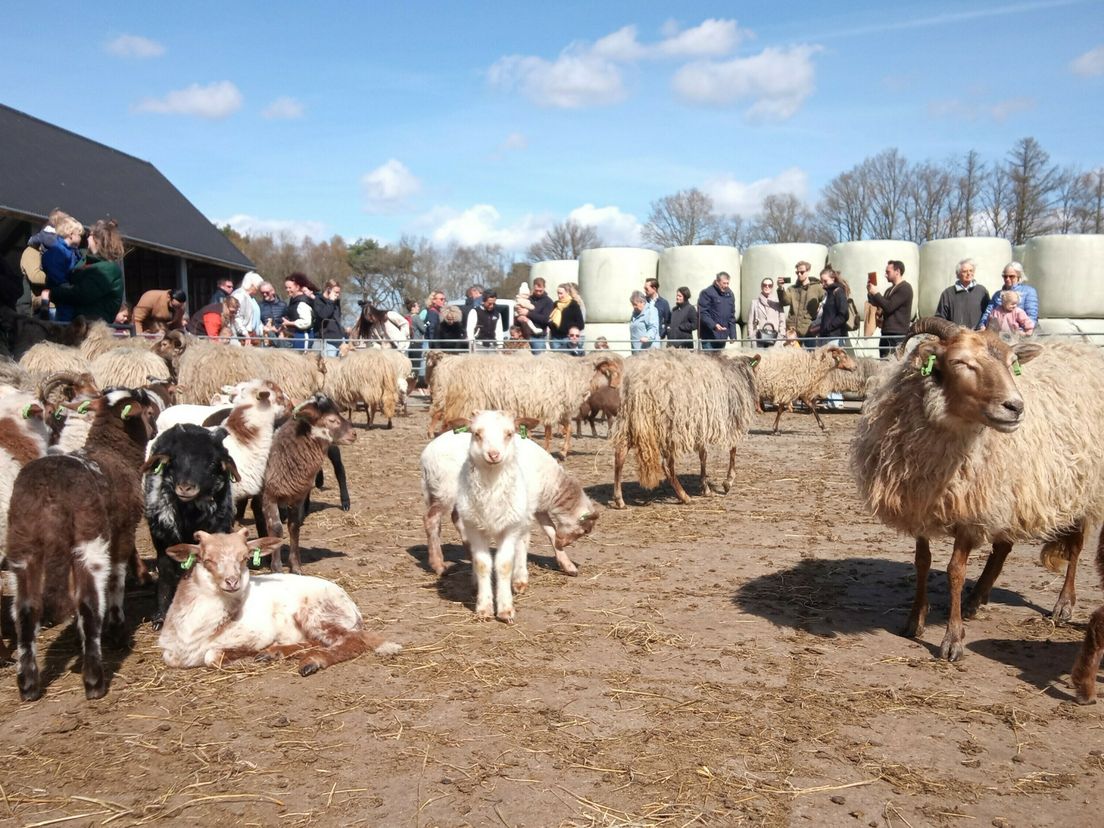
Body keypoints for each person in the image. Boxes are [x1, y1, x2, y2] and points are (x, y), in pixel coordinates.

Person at [42, 218, 124, 323]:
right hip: (79, 322)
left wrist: (52, 293)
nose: (86, 238)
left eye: (89, 235)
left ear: (96, 239)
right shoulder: (88, 261)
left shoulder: (108, 269)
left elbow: (82, 293)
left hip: (93, 326)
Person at [41, 215, 85, 321]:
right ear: (71, 235)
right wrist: (64, 283)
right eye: (79, 235)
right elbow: (52, 266)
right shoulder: (58, 250)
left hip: (65, 290)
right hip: (60, 291)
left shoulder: (71, 251)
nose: (81, 238)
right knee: (64, 318)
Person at [866, 259, 913, 357]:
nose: (885, 275)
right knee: (883, 361)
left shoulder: (905, 288)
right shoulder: (889, 290)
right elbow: (881, 305)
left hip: (897, 335)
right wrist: (871, 294)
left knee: (893, 365)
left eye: (888, 272)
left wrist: (876, 293)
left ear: (897, 272)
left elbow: (889, 307)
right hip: (886, 332)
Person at [978, 262, 1039, 330]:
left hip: (1021, 335)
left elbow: (1032, 317)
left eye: (1011, 276)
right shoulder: (997, 294)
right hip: (998, 335)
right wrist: (982, 325)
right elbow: (988, 313)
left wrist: (1021, 332)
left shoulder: (1029, 291)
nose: (1007, 279)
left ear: (1019, 276)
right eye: (1005, 276)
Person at [777, 260, 824, 347]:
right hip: (792, 331)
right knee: (792, 357)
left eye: (802, 272)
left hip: (809, 330)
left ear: (808, 271)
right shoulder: (792, 289)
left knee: (810, 357)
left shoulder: (817, 288)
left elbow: (827, 300)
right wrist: (780, 288)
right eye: (797, 272)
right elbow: (784, 302)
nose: (799, 274)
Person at [934, 258, 989, 329]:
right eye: (965, 271)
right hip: (955, 336)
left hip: (977, 335)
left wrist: (983, 326)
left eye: (971, 270)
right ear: (958, 274)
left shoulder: (982, 291)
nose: (969, 273)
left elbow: (988, 313)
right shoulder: (948, 293)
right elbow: (940, 318)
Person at [697, 271, 736, 350]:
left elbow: (731, 316)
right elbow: (702, 313)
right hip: (709, 337)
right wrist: (714, 325)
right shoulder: (707, 293)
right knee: (709, 361)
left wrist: (733, 335)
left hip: (722, 337)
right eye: (724, 283)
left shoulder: (730, 295)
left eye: (728, 283)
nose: (726, 286)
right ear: (717, 282)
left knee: (720, 361)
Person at [281, 272, 318, 350]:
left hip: (303, 338)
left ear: (297, 287)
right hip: (296, 337)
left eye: (290, 287)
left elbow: (307, 322)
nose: (287, 290)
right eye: (286, 288)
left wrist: (290, 323)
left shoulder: (302, 303)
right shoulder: (293, 302)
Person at [747, 277, 787, 348]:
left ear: (772, 287)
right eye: (765, 285)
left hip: (775, 339)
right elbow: (750, 322)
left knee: (774, 358)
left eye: (769, 285)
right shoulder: (754, 303)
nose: (767, 287)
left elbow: (782, 321)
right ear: (761, 286)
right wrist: (751, 337)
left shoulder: (778, 303)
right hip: (758, 338)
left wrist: (781, 336)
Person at [816, 268, 850, 345]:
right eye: (822, 281)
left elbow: (844, 315)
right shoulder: (828, 293)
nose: (823, 284)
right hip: (826, 336)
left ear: (833, 279)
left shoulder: (838, 292)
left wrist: (829, 327)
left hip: (835, 336)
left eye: (825, 281)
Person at [229, 271, 264, 345]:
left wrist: (263, 329)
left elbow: (255, 317)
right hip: (242, 337)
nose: (258, 290)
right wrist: (245, 333)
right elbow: (236, 317)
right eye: (257, 287)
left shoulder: (252, 298)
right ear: (252, 285)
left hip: (252, 336)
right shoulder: (239, 295)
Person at [548, 282, 584, 350]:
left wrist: (568, 328)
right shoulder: (555, 304)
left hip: (567, 338)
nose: (559, 295)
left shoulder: (574, 305)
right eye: (558, 293)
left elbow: (581, 324)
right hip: (555, 338)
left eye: (561, 293)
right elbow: (550, 318)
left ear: (567, 292)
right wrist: (551, 324)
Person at [313, 280, 345, 356]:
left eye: (338, 292)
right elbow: (323, 315)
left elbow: (337, 319)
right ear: (328, 289)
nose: (337, 295)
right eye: (336, 292)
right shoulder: (318, 301)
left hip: (338, 339)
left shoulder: (336, 302)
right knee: (329, 365)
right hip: (326, 340)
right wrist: (330, 301)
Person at [526, 277, 555, 352]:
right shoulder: (528, 299)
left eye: (540, 291)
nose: (538, 292)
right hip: (525, 335)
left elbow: (545, 319)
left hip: (539, 337)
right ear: (533, 287)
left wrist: (528, 313)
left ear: (544, 288)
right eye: (536, 290)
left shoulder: (548, 302)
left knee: (539, 360)